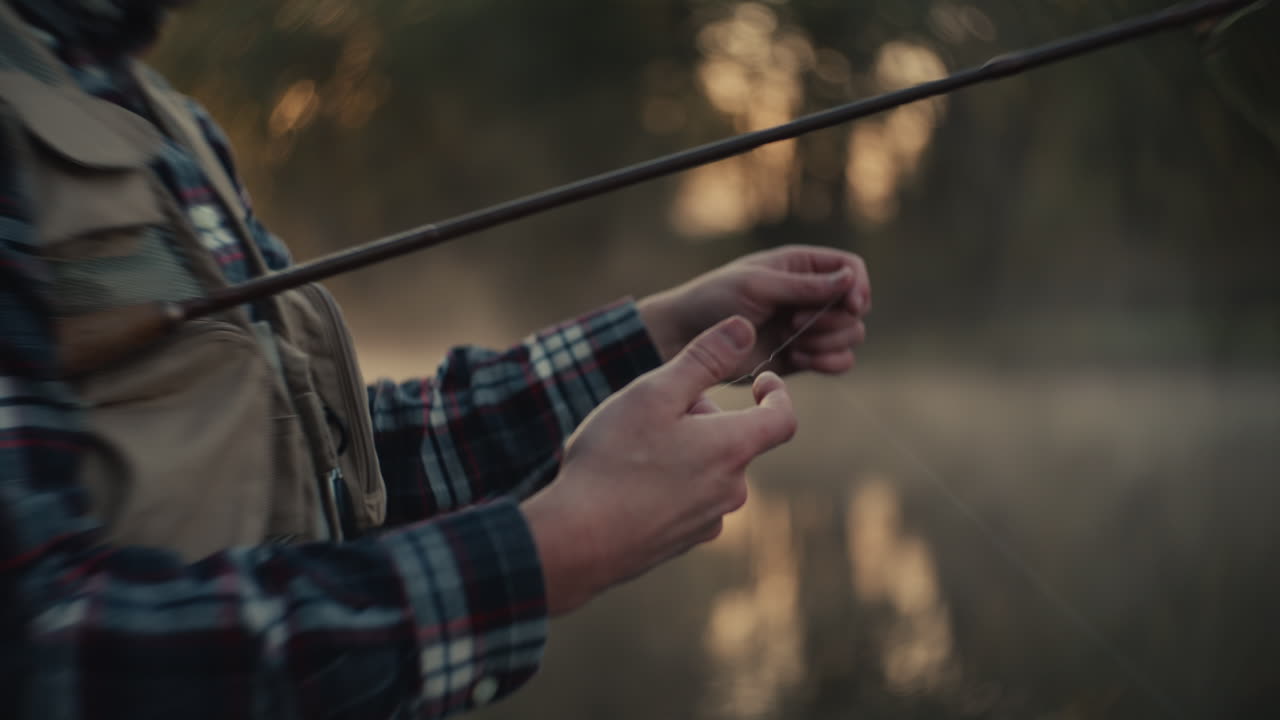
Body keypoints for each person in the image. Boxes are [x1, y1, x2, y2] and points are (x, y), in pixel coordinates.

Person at [0, 1, 871, 718]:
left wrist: (658, 336)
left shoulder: (167, 122)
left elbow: (331, 455)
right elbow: (43, 642)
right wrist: (555, 550)